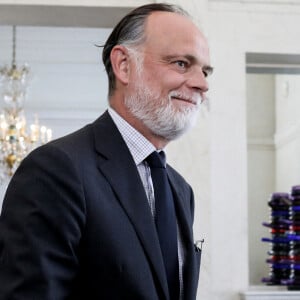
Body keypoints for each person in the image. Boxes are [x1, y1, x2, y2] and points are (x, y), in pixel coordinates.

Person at [0, 3, 212, 300]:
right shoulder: (56, 170)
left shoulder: (180, 190)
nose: (202, 84)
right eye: (181, 63)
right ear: (124, 65)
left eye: (205, 70)